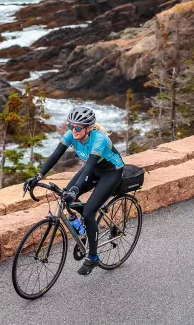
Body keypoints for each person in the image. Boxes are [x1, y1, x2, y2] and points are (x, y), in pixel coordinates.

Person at [24, 106, 124, 276]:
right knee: (66, 197)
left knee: (89, 212)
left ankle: (92, 257)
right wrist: (38, 176)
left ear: (88, 128)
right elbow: (55, 156)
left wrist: (76, 188)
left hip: (111, 173)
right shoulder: (72, 134)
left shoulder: (99, 139)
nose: (73, 130)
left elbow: (89, 166)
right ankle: (83, 230)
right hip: (93, 170)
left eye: (78, 127)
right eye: (71, 126)